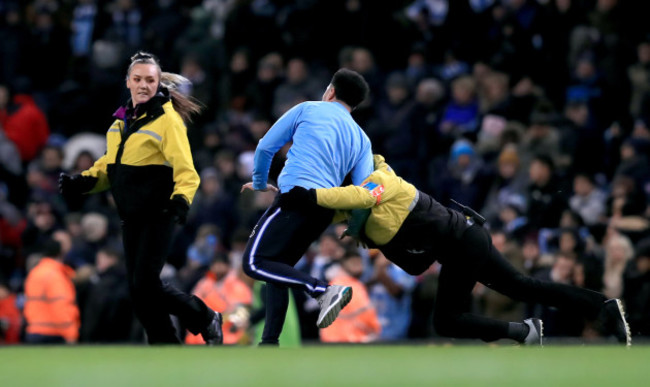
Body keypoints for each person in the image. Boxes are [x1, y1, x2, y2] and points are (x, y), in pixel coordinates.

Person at [282, 154, 632, 346]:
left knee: (448, 320)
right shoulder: (366, 222)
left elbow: (351, 199)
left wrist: (307, 194)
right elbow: (414, 266)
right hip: (464, 242)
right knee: (523, 286)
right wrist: (281, 189)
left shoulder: (380, 179)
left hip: (465, 240)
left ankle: (524, 332)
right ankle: (599, 308)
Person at [58, 51, 222, 345]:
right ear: (128, 82)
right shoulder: (119, 122)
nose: (143, 85)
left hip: (159, 213)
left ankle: (204, 317)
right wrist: (81, 182)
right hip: (130, 216)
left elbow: (188, 171)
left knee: (144, 285)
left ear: (158, 83)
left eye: (150, 80)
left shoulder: (167, 121)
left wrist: (181, 202)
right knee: (140, 291)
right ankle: (166, 348)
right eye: (138, 79)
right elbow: (109, 167)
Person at [240, 68, 373, 346]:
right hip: (323, 210)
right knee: (278, 267)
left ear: (331, 91)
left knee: (254, 263)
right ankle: (269, 343)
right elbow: (365, 193)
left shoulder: (309, 109)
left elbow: (266, 146)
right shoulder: (362, 139)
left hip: (295, 197)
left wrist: (260, 182)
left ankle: (322, 289)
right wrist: (356, 227)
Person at [23, 239, 79, 344]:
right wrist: (71, 334)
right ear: (61, 253)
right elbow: (61, 306)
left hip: (34, 330)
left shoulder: (34, 273)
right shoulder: (56, 276)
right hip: (53, 333)